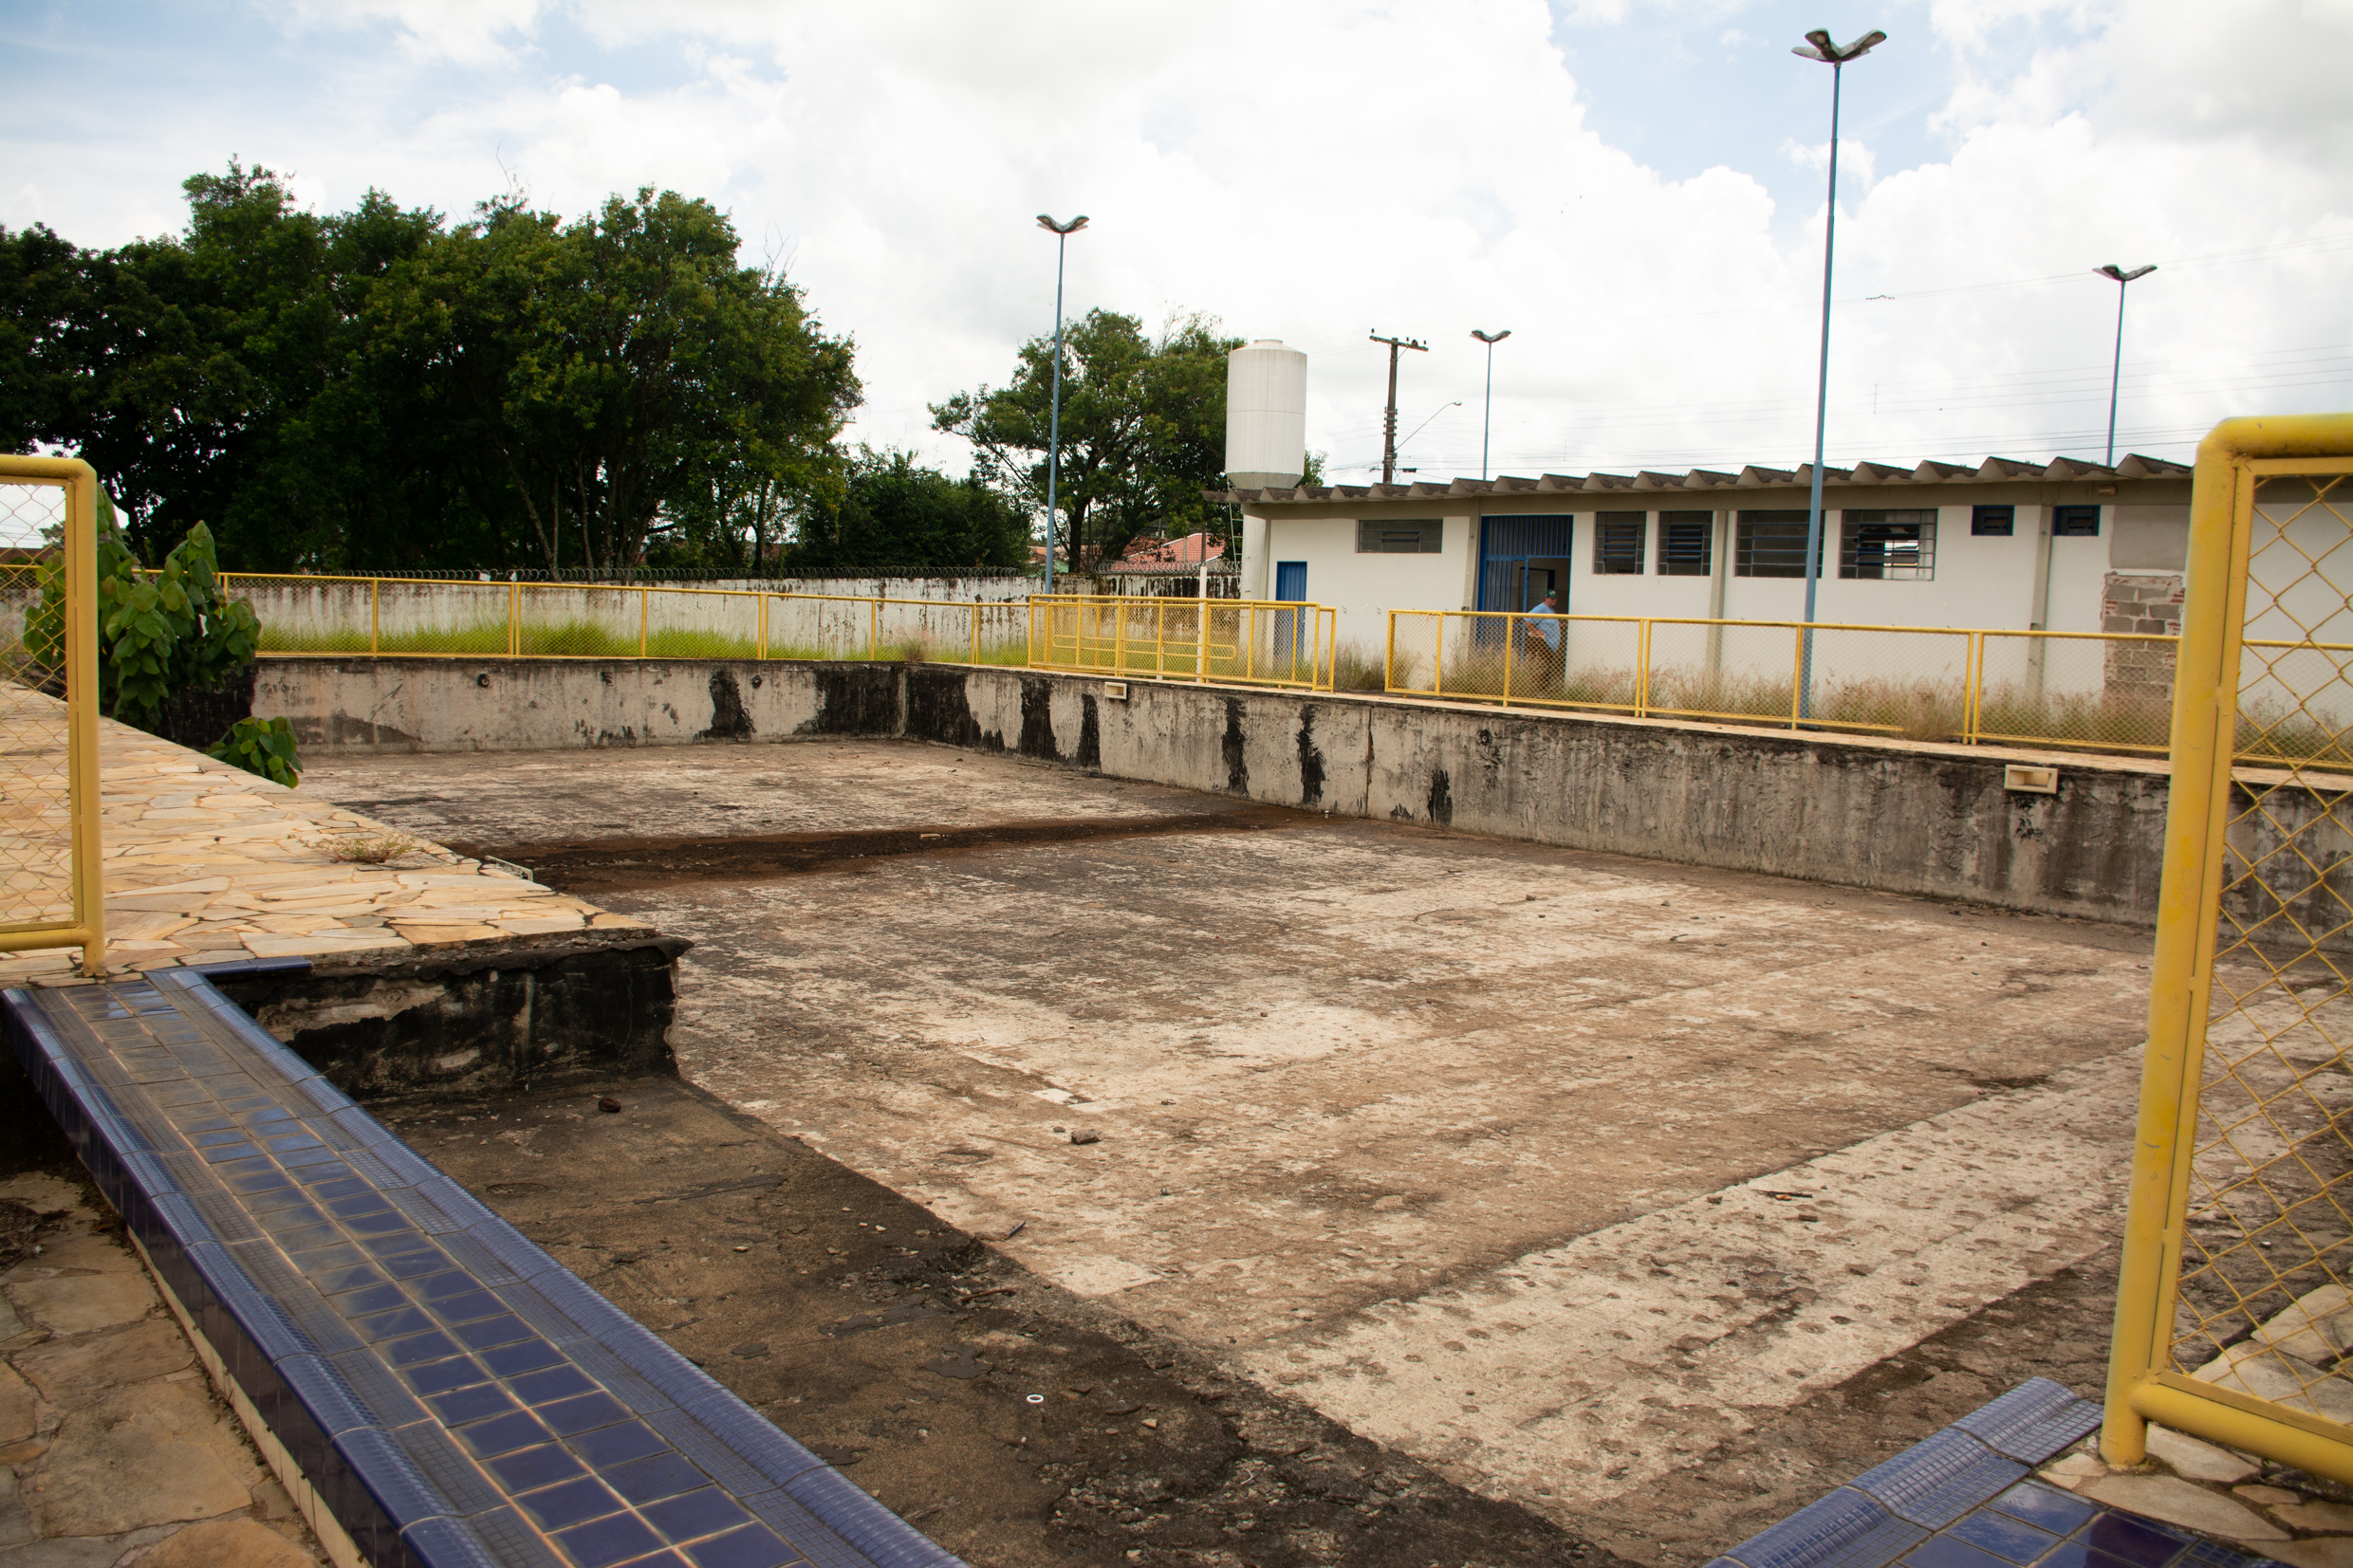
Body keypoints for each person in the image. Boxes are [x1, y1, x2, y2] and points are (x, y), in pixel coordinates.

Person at [1523, 586, 1566, 691]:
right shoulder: (1541, 608)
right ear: (1546, 598)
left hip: (1550, 645)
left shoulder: (1551, 610)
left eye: (1555, 598)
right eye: (1551, 598)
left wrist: (1561, 626)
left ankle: (1543, 688)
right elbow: (1527, 620)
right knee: (1541, 667)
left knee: (1546, 667)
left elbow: (1548, 625)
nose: (1554, 600)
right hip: (1541, 642)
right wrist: (1535, 631)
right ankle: (1537, 689)